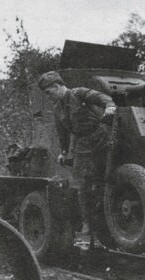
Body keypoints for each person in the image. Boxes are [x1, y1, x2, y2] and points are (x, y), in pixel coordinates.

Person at [38, 71, 116, 234]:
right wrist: (64, 151)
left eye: (48, 92)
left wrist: (109, 106)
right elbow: (62, 133)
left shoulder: (78, 93)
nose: (48, 96)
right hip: (81, 145)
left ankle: (112, 219)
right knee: (81, 184)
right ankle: (88, 223)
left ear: (57, 86)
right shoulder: (58, 109)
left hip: (99, 138)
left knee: (107, 177)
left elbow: (101, 97)